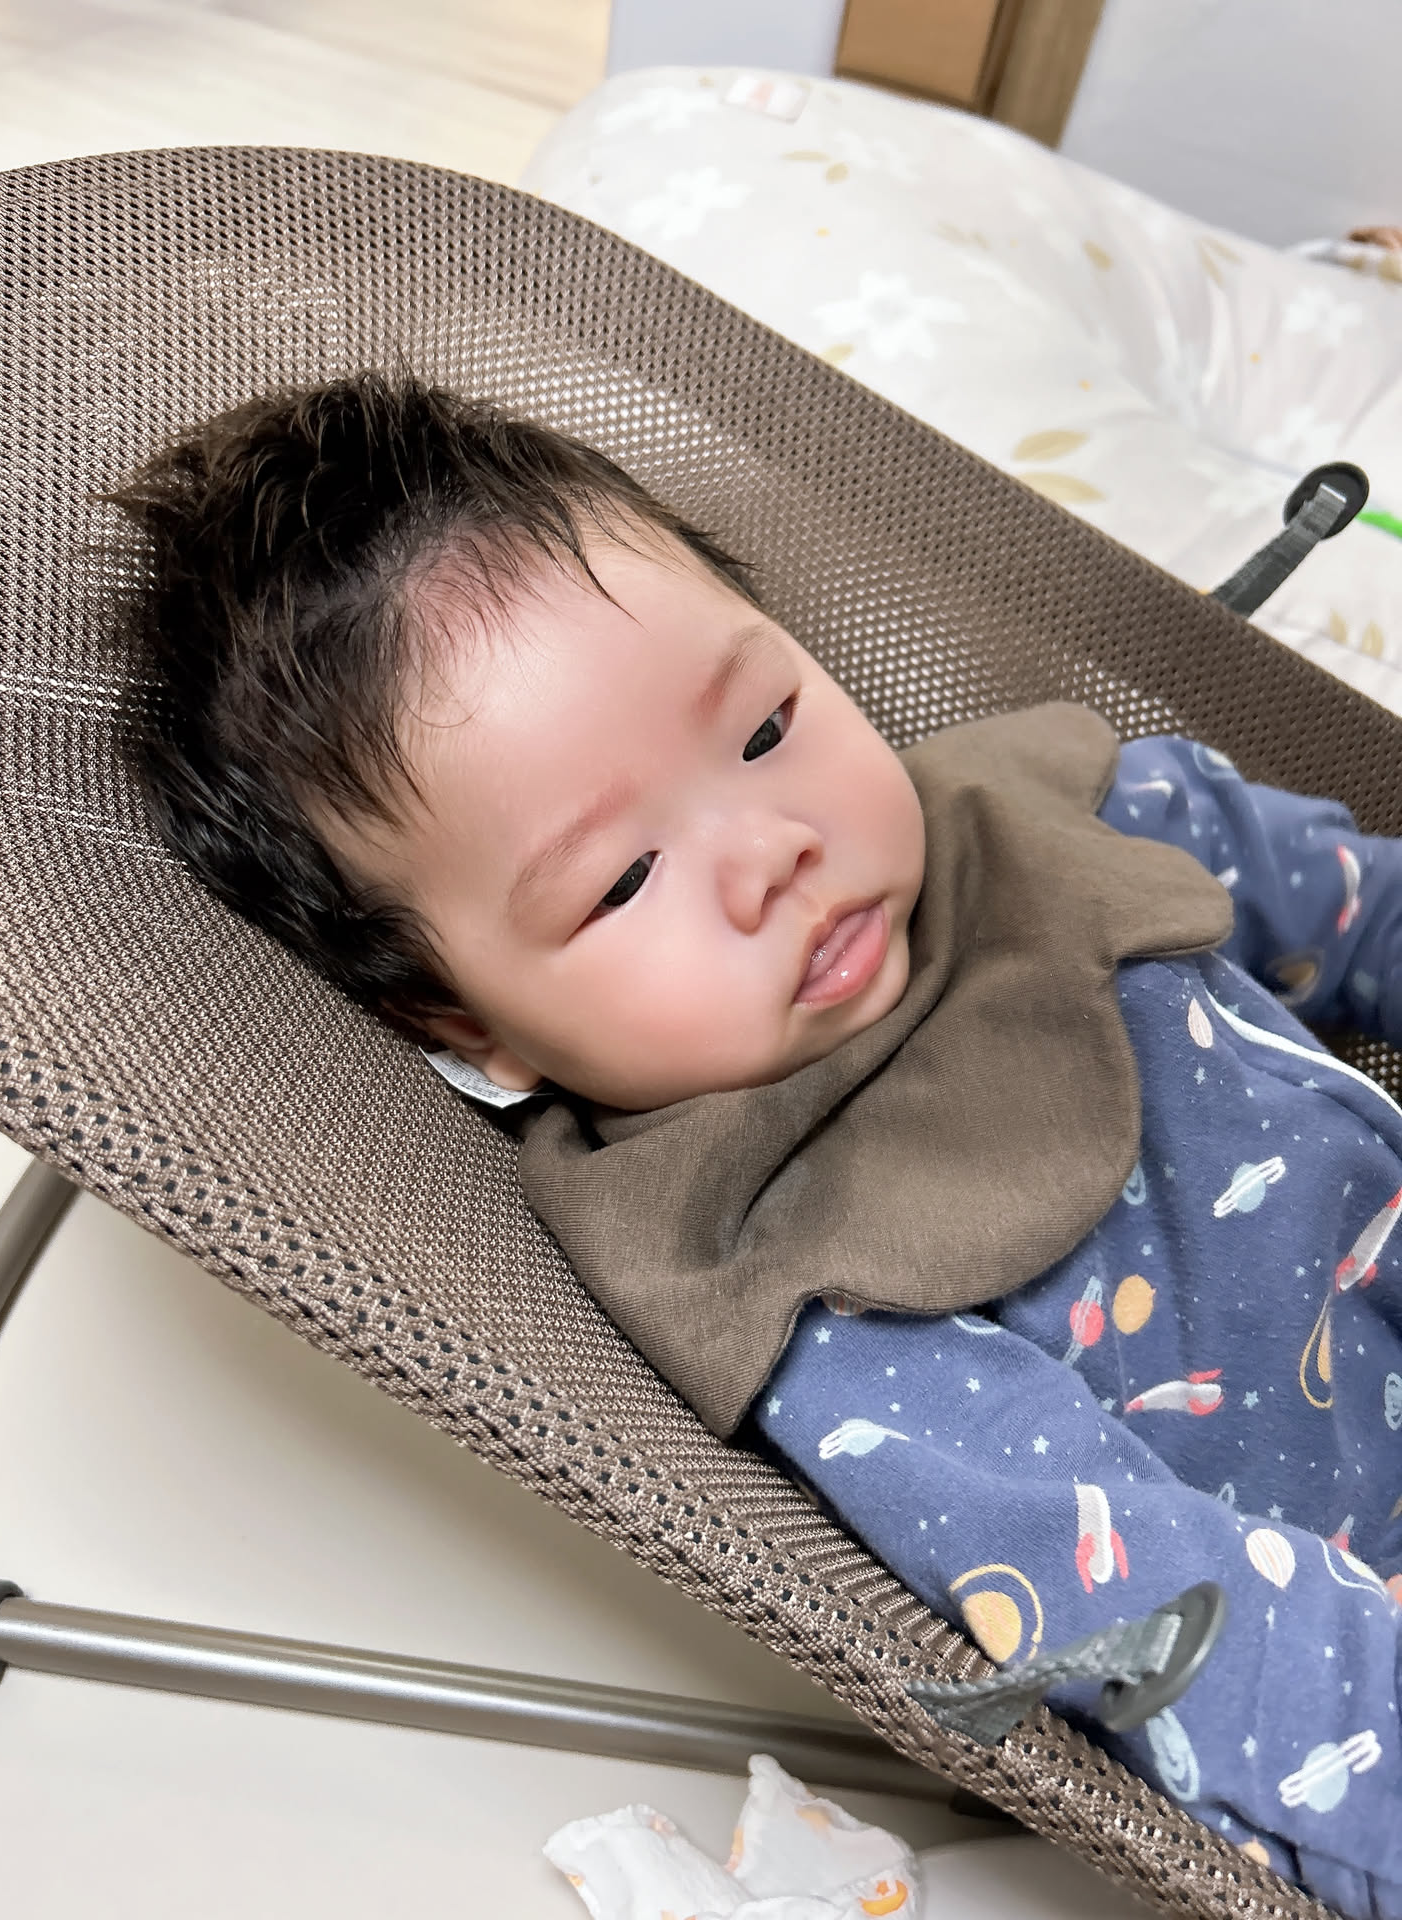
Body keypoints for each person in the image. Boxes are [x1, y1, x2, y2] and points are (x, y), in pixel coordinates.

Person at [108, 373, 1402, 1917]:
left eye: (768, 725)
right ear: (468, 1026)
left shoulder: (1077, 816)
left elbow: (1367, 912)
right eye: (623, 880)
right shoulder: (786, 1270)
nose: (772, 851)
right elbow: (1157, 1614)